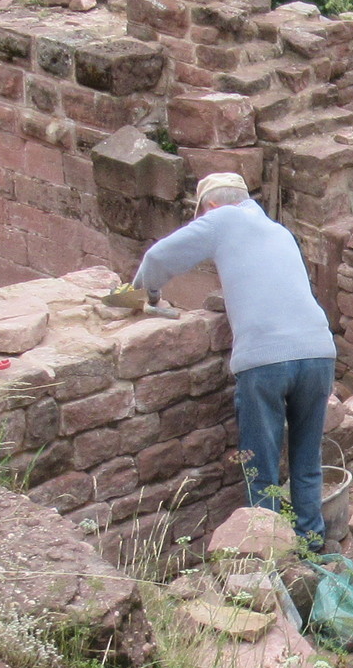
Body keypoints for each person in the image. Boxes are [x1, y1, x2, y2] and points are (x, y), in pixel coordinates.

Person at [133, 173, 336, 545]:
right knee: (307, 464)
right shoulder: (279, 231)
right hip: (318, 352)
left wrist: (146, 295)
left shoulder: (222, 218)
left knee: (261, 471)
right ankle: (313, 546)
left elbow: (158, 257)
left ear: (210, 206)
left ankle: (268, 555)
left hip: (265, 360)